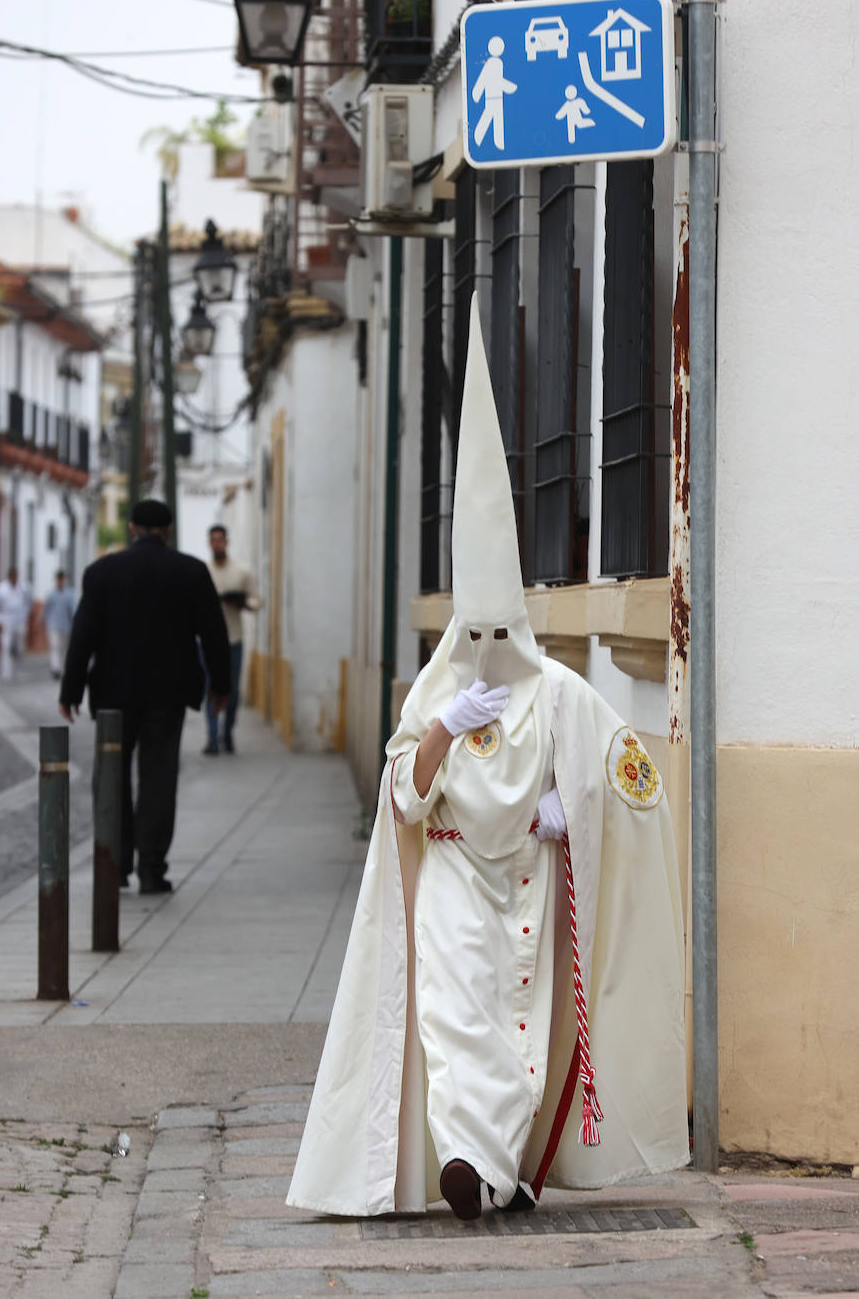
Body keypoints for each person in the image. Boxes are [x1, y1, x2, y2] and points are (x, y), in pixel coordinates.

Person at [287, 298, 688, 1220]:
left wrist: (569, 808)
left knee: (523, 1037)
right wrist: (435, 732)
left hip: (534, 883)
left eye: (505, 629)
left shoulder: (562, 694)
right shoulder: (436, 695)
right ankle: (466, 1158)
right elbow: (401, 796)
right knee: (456, 1018)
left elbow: (630, 778)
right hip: (461, 876)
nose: (492, 643)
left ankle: (499, 1165)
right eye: (477, 631)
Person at [59, 499, 230, 895]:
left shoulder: (101, 572)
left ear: (132, 528)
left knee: (110, 778)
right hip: (167, 696)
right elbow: (215, 635)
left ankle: (114, 866)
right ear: (167, 531)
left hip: (112, 697)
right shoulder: (191, 571)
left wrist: (71, 690)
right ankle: (152, 869)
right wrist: (220, 688)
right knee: (158, 778)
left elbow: (82, 635)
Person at [202, 524, 260, 755]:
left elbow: (256, 600)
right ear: (209, 543)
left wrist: (242, 603)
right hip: (207, 641)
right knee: (210, 688)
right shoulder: (203, 571)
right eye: (213, 540)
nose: (217, 544)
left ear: (227, 542)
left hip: (233, 639)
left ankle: (228, 732)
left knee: (233, 691)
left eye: (220, 540)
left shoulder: (241, 572)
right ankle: (212, 738)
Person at [0, 567, 32, 682]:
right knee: (6, 646)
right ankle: (6, 672)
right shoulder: (1, 589)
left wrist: (25, 616)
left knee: (20, 647)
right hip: (6, 621)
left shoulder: (23, 587)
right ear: (9, 577)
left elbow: (29, 602)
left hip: (20, 621)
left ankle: (18, 670)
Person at [42, 570, 77, 680]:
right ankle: (55, 669)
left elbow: (73, 610)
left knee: (63, 649)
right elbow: (46, 610)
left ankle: (62, 668)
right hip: (53, 625)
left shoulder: (69, 594)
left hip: (66, 626)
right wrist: (43, 621)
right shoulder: (51, 594)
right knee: (55, 647)